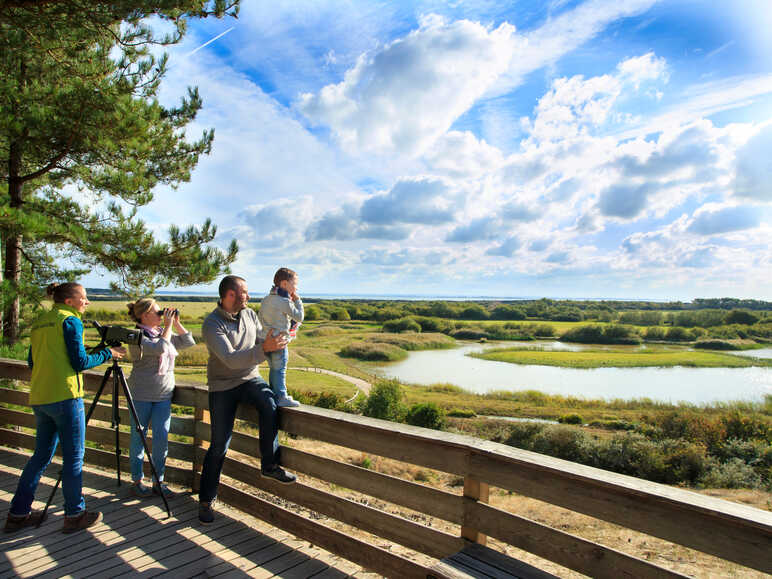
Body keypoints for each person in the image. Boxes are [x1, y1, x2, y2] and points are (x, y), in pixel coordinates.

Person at [4, 283, 125, 534]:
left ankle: (18, 514)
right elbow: (79, 362)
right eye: (84, 298)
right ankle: (74, 515)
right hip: (66, 396)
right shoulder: (70, 321)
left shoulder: (41, 322)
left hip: (40, 397)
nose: (87, 302)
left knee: (40, 456)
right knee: (73, 459)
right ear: (70, 301)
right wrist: (107, 353)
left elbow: (32, 361)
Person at [198, 275, 297, 525]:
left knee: (269, 403)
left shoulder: (250, 315)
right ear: (230, 295)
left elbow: (260, 339)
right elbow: (230, 359)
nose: (249, 296)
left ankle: (269, 465)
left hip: (249, 378)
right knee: (219, 445)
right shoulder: (212, 324)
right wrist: (265, 349)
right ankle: (206, 500)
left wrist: (280, 337)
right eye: (244, 292)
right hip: (222, 385)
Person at [126, 298, 195, 499]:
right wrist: (167, 326)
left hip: (164, 394)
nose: (161, 316)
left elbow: (189, 341)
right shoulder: (137, 335)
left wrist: (176, 322)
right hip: (141, 394)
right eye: (158, 313)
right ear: (144, 315)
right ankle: (137, 480)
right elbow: (160, 348)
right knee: (138, 438)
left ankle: (159, 480)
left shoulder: (160, 333)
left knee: (161, 439)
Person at [258, 268, 304, 408]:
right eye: (294, 284)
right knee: (280, 369)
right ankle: (281, 396)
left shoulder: (267, 299)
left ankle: (274, 393)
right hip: (279, 341)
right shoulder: (284, 301)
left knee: (273, 368)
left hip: (265, 340)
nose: (296, 288)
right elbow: (299, 317)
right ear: (284, 284)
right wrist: (298, 300)